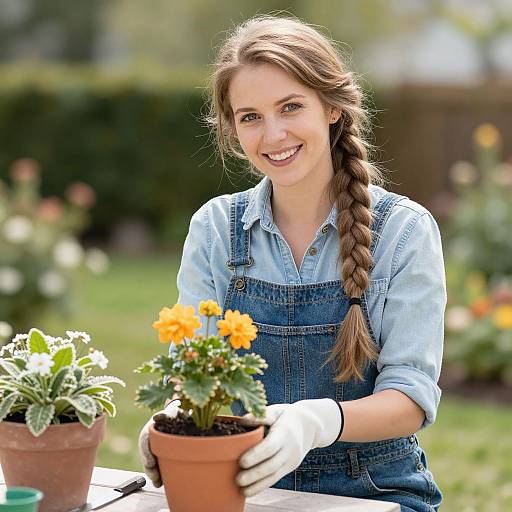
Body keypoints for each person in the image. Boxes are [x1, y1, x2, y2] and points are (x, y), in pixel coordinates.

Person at [138, 14, 446, 512]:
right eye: (251, 116)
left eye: (290, 107)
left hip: (374, 491)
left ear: (331, 107)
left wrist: (318, 421)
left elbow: (411, 398)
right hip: (239, 486)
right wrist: (172, 416)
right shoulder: (216, 229)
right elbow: (193, 364)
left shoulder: (403, 230)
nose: (273, 134)